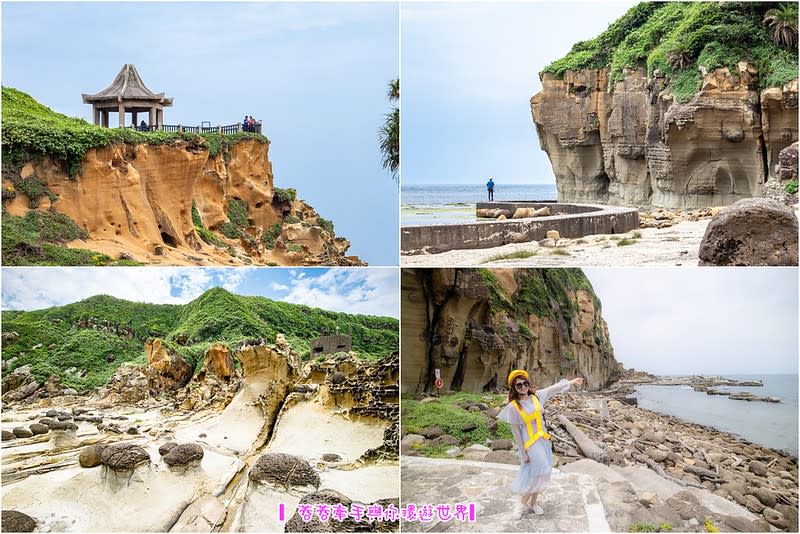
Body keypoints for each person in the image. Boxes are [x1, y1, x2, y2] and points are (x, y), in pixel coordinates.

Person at [497, 369, 584, 518]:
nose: (523, 387)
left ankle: (533, 503)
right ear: (514, 388)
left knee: (542, 473)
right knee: (540, 472)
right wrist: (523, 452)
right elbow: (516, 432)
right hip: (530, 444)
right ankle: (522, 503)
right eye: (519, 385)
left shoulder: (537, 396)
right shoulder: (513, 407)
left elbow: (554, 388)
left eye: (525, 383)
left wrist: (571, 382)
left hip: (543, 440)